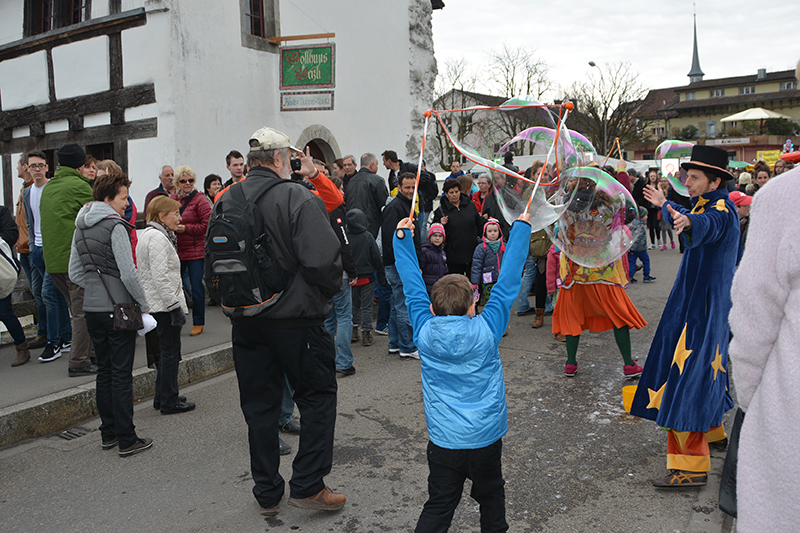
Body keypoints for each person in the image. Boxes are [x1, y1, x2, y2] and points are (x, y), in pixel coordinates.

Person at [214, 126, 344, 516]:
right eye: (288, 158)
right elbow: (324, 260)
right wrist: (325, 294)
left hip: (246, 320)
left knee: (259, 408)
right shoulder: (296, 196)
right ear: (278, 159)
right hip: (295, 319)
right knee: (318, 398)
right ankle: (308, 484)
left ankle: (267, 492)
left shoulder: (225, 198)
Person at [393, 210, 532, 533]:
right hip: (485, 438)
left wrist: (402, 240)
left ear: (431, 308)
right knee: (492, 498)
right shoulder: (487, 329)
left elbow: (413, 286)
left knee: (440, 504)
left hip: (444, 440)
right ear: (473, 305)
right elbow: (508, 282)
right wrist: (521, 228)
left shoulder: (424, 332)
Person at [629, 145, 740, 488]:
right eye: (686, 175)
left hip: (702, 311)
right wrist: (666, 205)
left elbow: (704, 223)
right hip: (703, 305)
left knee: (685, 379)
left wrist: (687, 218)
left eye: (694, 177)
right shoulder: (708, 202)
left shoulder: (720, 209)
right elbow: (690, 213)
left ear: (714, 180)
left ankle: (690, 467)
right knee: (708, 370)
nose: (686, 182)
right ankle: (714, 431)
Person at [728, 164, 799, 532]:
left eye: (694, 177)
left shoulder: (785, 196)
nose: (687, 183)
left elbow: (753, 322)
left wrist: (758, 409)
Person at [69, 170, 153, 457]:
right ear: (107, 199)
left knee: (104, 372)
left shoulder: (80, 226)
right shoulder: (115, 226)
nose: (127, 204)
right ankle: (128, 438)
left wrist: (95, 284)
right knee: (121, 374)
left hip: (91, 307)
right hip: (118, 308)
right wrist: (144, 304)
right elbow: (128, 274)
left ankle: (108, 434)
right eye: (123, 198)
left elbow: (74, 272)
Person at [551, 176, 647, 378]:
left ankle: (570, 363)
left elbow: (558, 232)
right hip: (603, 270)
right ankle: (628, 364)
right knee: (618, 316)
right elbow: (632, 216)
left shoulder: (564, 205)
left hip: (574, 272)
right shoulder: (608, 205)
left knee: (572, 318)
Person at [40, 143, 97, 376]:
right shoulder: (79, 186)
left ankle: (91, 353)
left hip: (52, 261)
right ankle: (79, 361)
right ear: (81, 163)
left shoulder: (49, 187)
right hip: (73, 261)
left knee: (79, 309)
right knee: (83, 312)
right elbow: (97, 213)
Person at [137, 196, 195, 414]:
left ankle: (162, 396)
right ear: (161, 216)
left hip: (156, 302)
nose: (179, 217)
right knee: (171, 352)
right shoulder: (159, 238)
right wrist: (174, 306)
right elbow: (161, 276)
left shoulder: (149, 234)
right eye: (175, 213)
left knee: (166, 352)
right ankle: (169, 401)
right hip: (163, 304)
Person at [24, 151, 72, 364]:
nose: (37, 169)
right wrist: (33, 246)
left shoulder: (52, 189)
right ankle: (67, 336)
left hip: (53, 249)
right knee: (48, 294)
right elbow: (29, 220)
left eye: (40, 165)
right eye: (33, 165)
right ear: (27, 167)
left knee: (48, 294)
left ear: (46, 167)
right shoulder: (27, 192)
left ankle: (54, 342)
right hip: (37, 250)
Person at [381, 172, 421, 360]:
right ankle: (407, 346)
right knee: (404, 304)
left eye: (414, 187)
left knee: (397, 303)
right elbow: (392, 241)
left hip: (403, 263)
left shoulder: (409, 205)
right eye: (407, 187)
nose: (411, 191)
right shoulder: (395, 208)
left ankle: (395, 343)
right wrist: (405, 265)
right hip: (398, 264)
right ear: (399, 187)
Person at [171, 166, 211, 336]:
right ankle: (178, 320)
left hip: (195, 251)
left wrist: (185, 229)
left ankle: (199, 321)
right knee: (175, 287)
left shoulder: (200, 200)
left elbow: (207, 224)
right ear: (177, 183)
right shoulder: (172, 200)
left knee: (197, 288)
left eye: (190, 180)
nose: (187, 183)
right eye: (183, 181)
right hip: (178, 250)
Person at [14, 153, 47, 352]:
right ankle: (44, 331)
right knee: (38, 292)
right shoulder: (25, 190)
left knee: (42, 293)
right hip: (25, 247)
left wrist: (31, 245)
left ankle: (46, 332)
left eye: (19, 164)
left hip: (30, 247)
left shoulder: (33, 190)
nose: (17, 168)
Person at [346, 208, 385, 350]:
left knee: (354, 304)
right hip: (367, 277)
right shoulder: (367, 236)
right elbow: (376, 257)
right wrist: (381, 275)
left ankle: (354, 331)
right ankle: (366, 333)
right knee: (367, 306)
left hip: (351, 278)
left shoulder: (345, 236)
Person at [432, 179, 483, 277]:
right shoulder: (441, 211)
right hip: (453, 257)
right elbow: (434, 233)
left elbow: (479, 226)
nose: (454, 195)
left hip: (473, 254)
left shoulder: (470, 206)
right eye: (451, 192)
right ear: (446, 194)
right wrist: (440, 223)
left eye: (456, 191)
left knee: (474, 285)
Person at [0, 204, 30, 367]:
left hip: (1, 272)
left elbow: (12, 234)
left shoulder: (1, 211)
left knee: (4, 312)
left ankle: (22, 348)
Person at [345, 153, 389, 238]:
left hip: (352, 225)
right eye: (377, 164)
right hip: (371, 226)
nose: (377, 167)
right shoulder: (377, 180)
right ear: (372, 165)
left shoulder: (351, 181)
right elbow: (384, 205)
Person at [471, 219, 505, 306]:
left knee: (502, 302)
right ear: (485, 233)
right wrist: (475, 282)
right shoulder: (481, 248)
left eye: (495, 231)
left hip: (501, 280)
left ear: (499, 232)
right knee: (490, 303)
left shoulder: (503, 246)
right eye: (489, 231)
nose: (493, 233)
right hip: (488, 281)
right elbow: (476, 266)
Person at [627, 206, 654, 283]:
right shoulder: (640, 226)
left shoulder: (632, 224)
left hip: (633, 248)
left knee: (632, 263)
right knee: (646, 261)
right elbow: (637, 239)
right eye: (646, 215)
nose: (647, 217)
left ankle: (630, 278)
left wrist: (631, 248)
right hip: (640, 249)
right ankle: (646, 276)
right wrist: (633, 248)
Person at [420, 223, 448, 295]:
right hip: (427, 288)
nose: (437, 238)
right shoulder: (425, 251)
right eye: (435, 235)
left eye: (440, 236)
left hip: (440, 287)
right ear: (430, 236)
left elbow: (445, 270)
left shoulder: (442, 252)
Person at [657, 177, 676, 250]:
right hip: (662, 210)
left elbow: (672, 199)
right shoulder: (660, 191)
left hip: (669, 209)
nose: (663, 182)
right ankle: (664, 244)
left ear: (667, 182)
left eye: (664, 181)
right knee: (663, 228)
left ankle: (672, 240)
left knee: (668, 228)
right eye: (662, 181)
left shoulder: (670, 190)